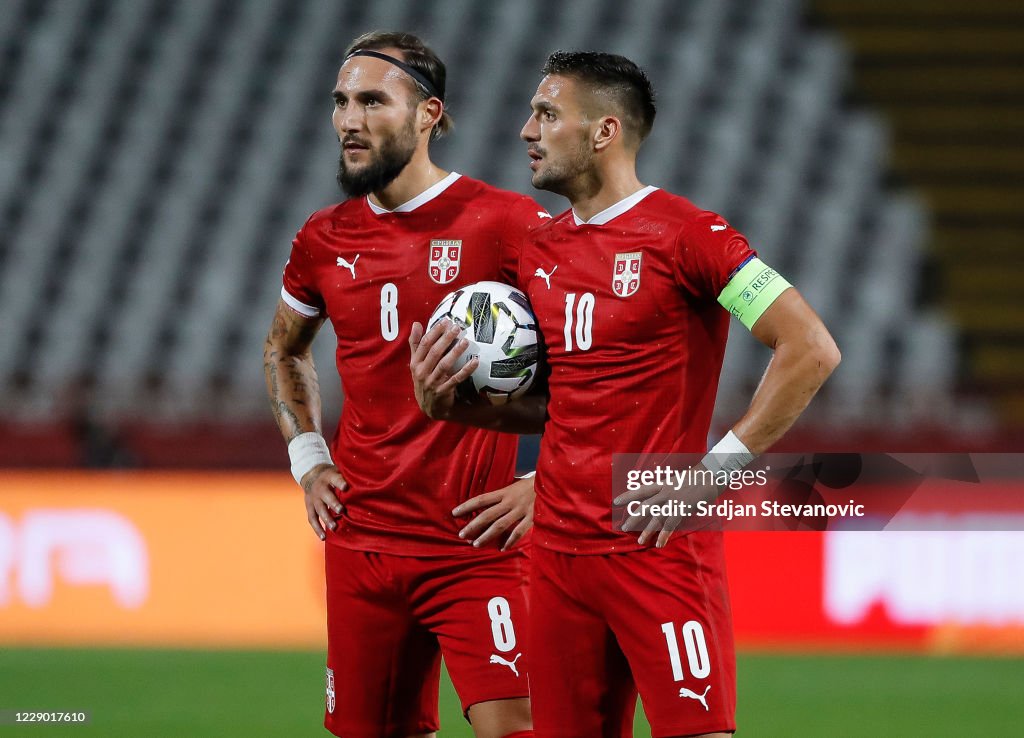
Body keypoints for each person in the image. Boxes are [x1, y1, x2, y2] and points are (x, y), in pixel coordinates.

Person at [409, 51, 840, 737]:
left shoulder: (692, 238)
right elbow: (566, 402)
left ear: (604, 132)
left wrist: (712, 475)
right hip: (556, 558)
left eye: (548, 114)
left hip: (657, 544)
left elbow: (810, 348)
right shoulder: (539, 249)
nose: (527, 130)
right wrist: (448, 405)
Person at [263, 30, 548, 738]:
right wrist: (308, 460)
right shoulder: (322, 239)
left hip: (477, 545)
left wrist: (547, 480)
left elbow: (592, 363)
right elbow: (283, 350)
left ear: (429, 114)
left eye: (371, 101)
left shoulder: (506, 223)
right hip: (362, 546)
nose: (348, 120)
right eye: (340, 102)